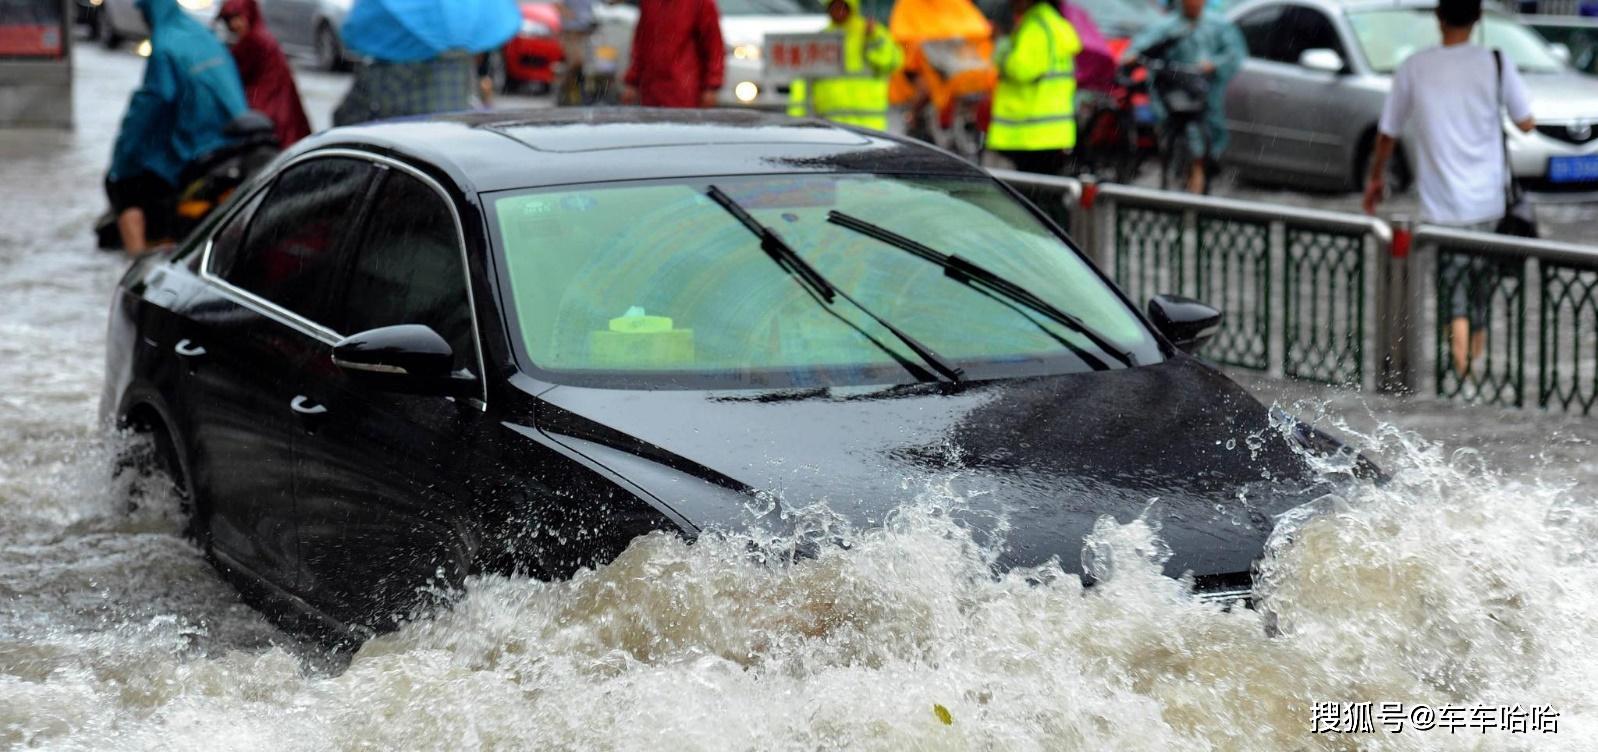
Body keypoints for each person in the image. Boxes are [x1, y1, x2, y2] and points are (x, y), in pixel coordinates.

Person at [1363, 0, 1535, 380]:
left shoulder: (1414, 66)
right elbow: (1526, 123)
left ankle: (1460, 380)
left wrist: (1376, 179)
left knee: (1453, 300)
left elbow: (1387, 133)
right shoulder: (1496, 61)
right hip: (1489, 202)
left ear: (1438, 19)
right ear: (1477, 19)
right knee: (1480, 299)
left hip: (1442, 209)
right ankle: (1473, 374)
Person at [107, 0, 248, 255]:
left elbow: (153, 102)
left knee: (123, 187)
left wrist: (122, 161)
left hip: (199, 150)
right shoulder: (201, 33)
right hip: (233, 140)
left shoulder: (164, 45)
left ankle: (137, 264)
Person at [1122, 0, 1244, 193]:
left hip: (1205, 92)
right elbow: (1143, 45)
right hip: (1173, 90)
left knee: (1204, 135)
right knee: (1172, 132)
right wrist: (1133, 56)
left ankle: (1200, 172)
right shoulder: (1167, 26)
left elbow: (1234, 54)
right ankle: (1177, 173)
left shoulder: (1219, 26)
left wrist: (1214, 65)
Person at [988, 0, 1080, 175]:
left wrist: (1001, 48)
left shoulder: (1036, 26)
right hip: (1050, 131)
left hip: (1031, 133)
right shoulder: (1050, 22)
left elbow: (1021, 69)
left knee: (1034, 193)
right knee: (1044, 189)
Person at [786, 0, 902, 130]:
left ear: (850, 7)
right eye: (833, 6)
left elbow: (891, 62)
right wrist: (796, 119)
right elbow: (803, 81)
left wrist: (872, 37)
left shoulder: (871, 30)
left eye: (841, 5)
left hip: (869, 123)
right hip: (831, 125)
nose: (837, 10)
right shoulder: (822, 38)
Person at [218, 0, 312, 148]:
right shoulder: (261, 35)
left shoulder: (252, 41)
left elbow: (232, 74)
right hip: (282, 107)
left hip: (268, 107)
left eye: (238, 18)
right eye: (230, 19)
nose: (234, 25)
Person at [620, 0, 724, 108]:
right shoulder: (649, 3)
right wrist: (632, 81)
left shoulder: (700, 3)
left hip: (684, 91)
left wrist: (711, 86)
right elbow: (641, 43)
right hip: (652, 89)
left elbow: (714, 46)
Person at [556, 0, 597, 105]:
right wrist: (571, 16)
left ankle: (580, 92)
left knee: (588, 65)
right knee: (576, 61)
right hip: (571, 33)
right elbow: (557, 5)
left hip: (587, 33)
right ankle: (564, 89)